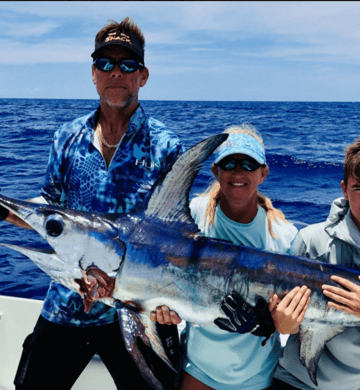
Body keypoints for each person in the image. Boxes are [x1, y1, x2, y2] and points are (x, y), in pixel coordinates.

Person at [1, 17, 184, 390]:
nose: (115, 72)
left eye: (127, 64)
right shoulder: (67, 137)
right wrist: (6, 211)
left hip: (138, 309)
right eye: (105, 63)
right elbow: (51, 205)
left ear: (142, 75)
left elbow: (176, 233)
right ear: (93, 73)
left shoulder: (166, 145)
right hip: (69, 301)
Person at [151, 124, 311, 390]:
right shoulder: (192, 217)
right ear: (215, 171)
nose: (238, 172)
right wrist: (163, 310)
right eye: (229, 164)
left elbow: (295, 324)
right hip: (199, 370)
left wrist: (274, 324)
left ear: (263, 173)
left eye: (248, 164)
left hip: (257, 378)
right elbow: (162, 274)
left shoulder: (285, 237)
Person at [273, 136, 360, 390]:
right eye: (359, 188)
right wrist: (285, 324)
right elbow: (284, 326)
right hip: (296, 381)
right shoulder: (310, 240)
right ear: (344, 189)